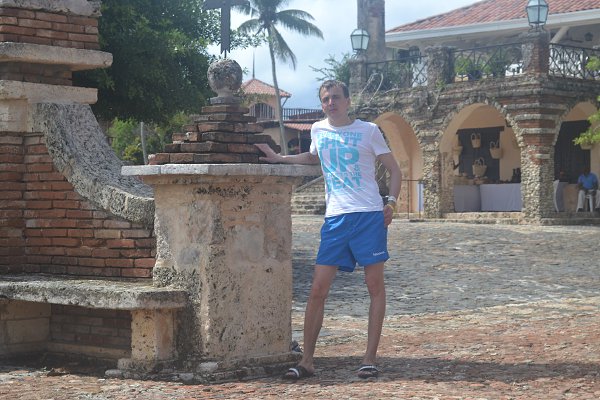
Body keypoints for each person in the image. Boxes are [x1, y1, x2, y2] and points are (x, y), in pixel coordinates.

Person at [255, 80, 402, 380]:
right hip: (335, 218)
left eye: (336, 97)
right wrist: (280, 158)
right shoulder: (317, 130)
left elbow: (394, 168)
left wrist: (392, 202)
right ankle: (307, 361)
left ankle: (369, 359)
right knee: (317, 289)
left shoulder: (369, 130)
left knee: (375, 286)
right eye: (325, 99)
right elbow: (313, 157)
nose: (331, 103)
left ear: (348, 101)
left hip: (369, 216)